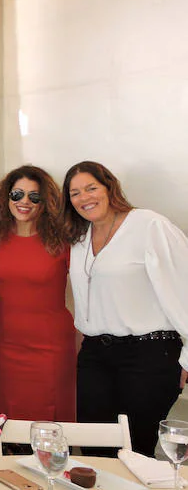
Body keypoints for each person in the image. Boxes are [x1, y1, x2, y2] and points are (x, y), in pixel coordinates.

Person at [63, 161, 188, 457]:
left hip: (148, 357)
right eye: (75, 193)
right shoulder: (79, 238)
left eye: (91, 188)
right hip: (95, 357)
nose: (85, 197)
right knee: (94, 449)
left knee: (135, 452)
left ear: (109, 188)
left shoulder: (149, 226)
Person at [0, 165, 76, 422]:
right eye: (17, 194)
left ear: (45, 202)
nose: (25, 202)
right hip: (7, 341)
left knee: (51, 415)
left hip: (51, 345)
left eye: (34, 197)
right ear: (6, 198)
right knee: (11, 415)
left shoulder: (62, 241)